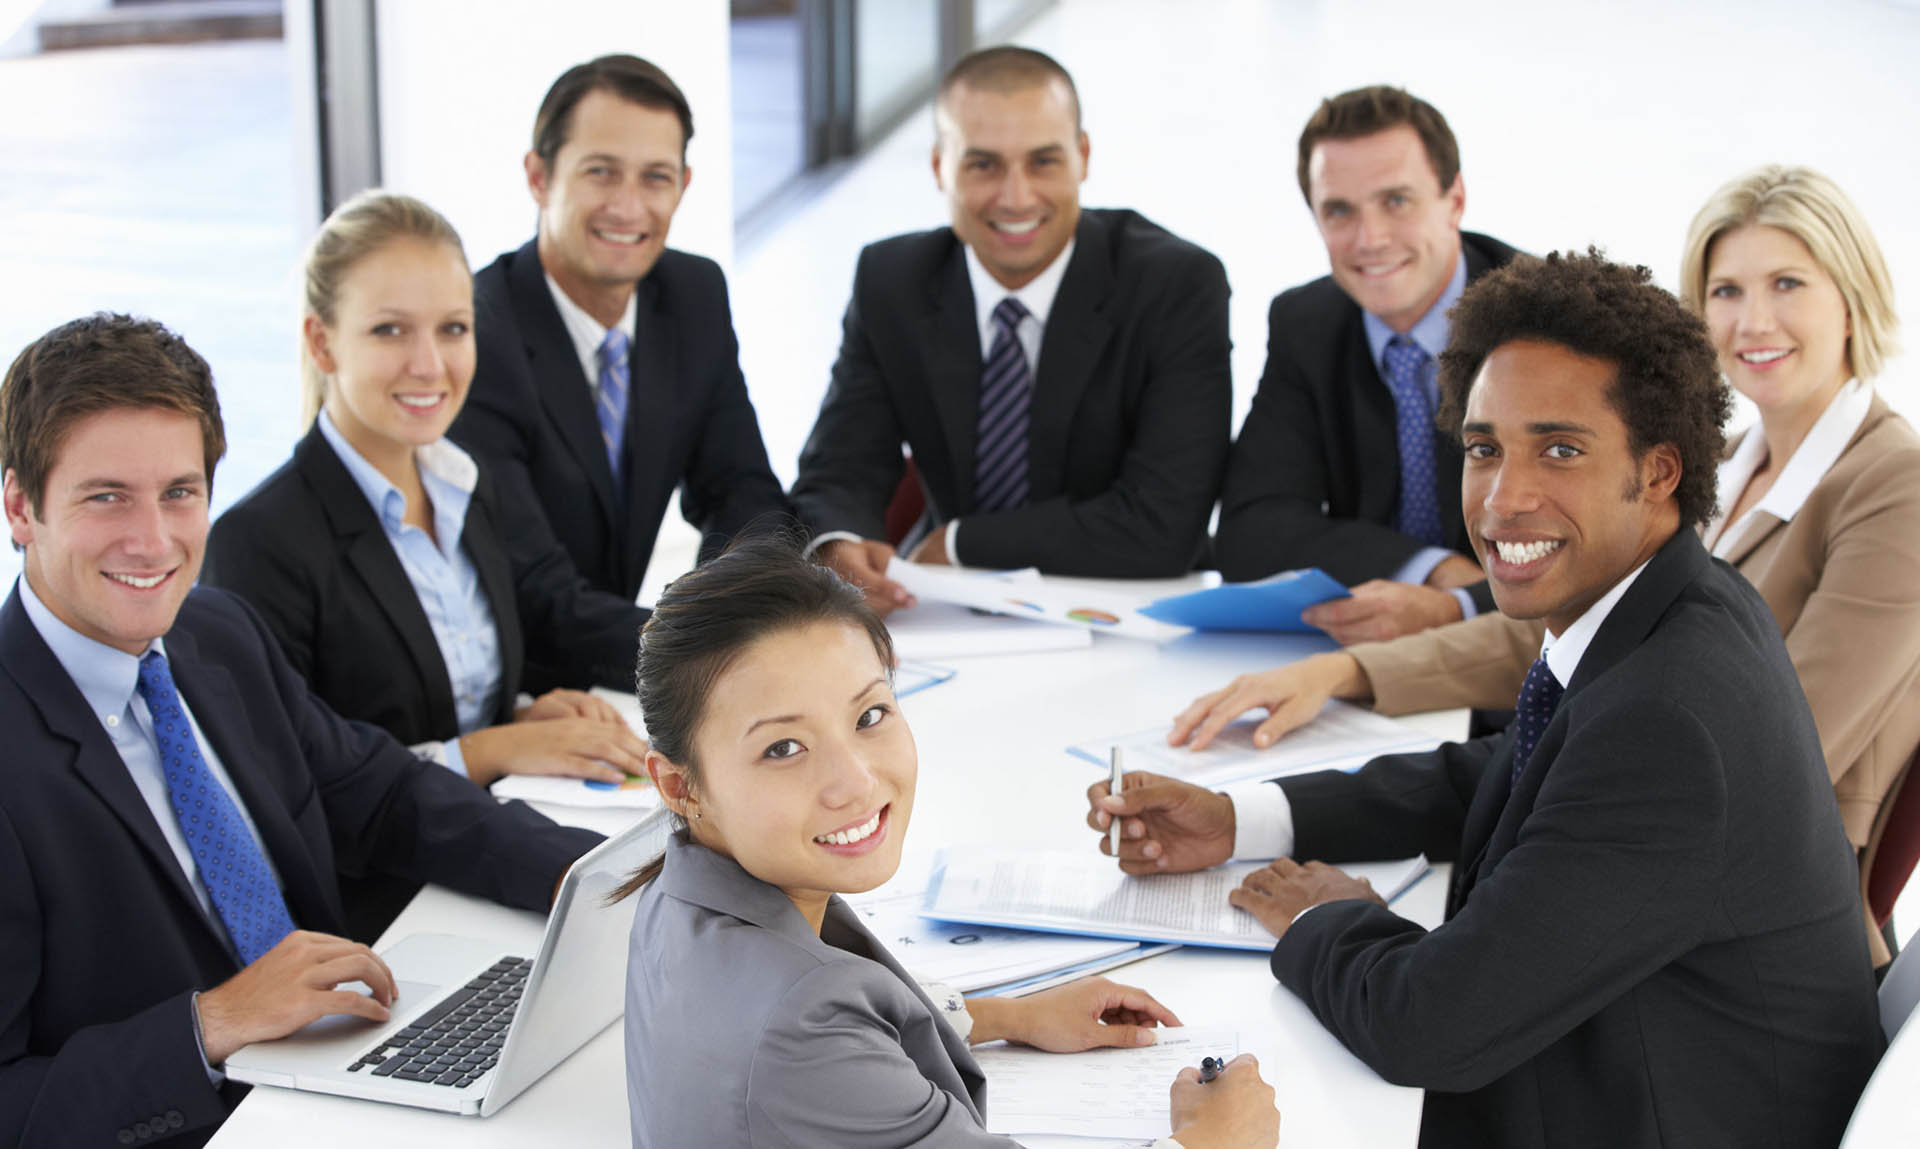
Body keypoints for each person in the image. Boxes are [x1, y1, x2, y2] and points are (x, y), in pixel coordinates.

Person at [1091, 252, 1884, 1147]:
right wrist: (1244, 818)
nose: (1503, 500)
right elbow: (1510, 771)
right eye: (1482, 449)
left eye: (1559, 449)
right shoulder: (1672, 602)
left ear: (1660, 471)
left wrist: (1320, 915)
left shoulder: (1671, 714)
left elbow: (1427, 1024)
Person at [1178, 166, 1920, 963]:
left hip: (1749, 928)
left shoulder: (1894, 487)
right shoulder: (1724, 467)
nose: (1752, 319)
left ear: (1852, 294)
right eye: (1726, 291)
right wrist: (1347, 672)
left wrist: (1368, 929)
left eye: (1786, 284)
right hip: (1643, 864)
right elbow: (1554, 633)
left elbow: (1780, 748)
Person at [0, 314, 604, 1148]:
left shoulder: (217, 634)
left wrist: (590, 880)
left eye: (179, 492)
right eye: (106, 496)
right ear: (21, 505)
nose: (153, 539)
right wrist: (208, 1025)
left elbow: (385, 793)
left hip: (344, 1078)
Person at [618, 537, 1278, 1149]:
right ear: (680, 784)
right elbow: (805, 1039)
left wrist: (1006, 1016)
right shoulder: (804, 1030)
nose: (856, 780)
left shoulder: (677, 892)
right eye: (783, 747)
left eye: (869, 714)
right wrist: (1215, 1140)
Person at [203, 191, 650, 792]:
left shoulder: (464, 484)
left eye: (453, 329)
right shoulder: (258, 542)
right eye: (390, 331)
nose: (429, 364)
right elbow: (296, 783)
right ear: (321, 342)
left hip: (488, 827)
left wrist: (521, 719)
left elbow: (429, 715)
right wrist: (493, 748)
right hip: (387, 882)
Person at [791, 46, 1231, 612]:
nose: (1016, 197)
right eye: (983, 165)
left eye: (1043, 162)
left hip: (1129, 602)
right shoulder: (892, 281)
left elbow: (1163, 523)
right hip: (952, 611)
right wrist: (838, 544)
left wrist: (959, 541)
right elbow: (841, 464)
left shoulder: (1175, 285)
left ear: (1083, 157)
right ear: (938, 167)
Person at [449, 54, 788, 626]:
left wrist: (730, 604)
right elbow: (534, 590)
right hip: (512, 679)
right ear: (539, 177)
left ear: (682, 186)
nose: (628, 206)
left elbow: (743, 492)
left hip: (612, 662)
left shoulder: (692, 295)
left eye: (655, 176)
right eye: (601, 172)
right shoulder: (476, 333)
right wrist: (693, 649)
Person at [1212, 86, 1520, 645]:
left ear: (1455, 200)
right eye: (1339, 211)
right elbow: (1249, 532)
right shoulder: (1307, 322)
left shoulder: (1539, 321)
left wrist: (1454, 606)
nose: (1370, 240)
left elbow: (1591, 547)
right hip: (1368, 654)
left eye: (1396, 201)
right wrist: (1431, 569)